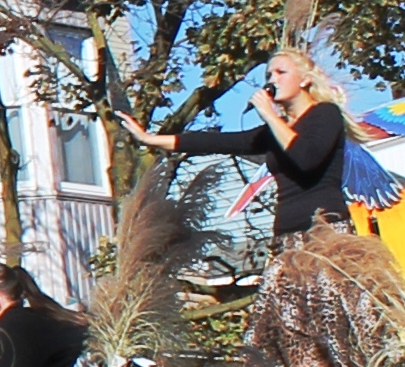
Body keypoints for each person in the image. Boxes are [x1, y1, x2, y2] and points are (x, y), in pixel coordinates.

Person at [132, 47, 353, 242]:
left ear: (305, 80)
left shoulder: (325, 113)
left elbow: (306, 158)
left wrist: (269, 115)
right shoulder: (275, 130)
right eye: (268, 75)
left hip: (325, 231)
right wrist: (150, 139)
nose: (272, 80)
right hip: (287, 233)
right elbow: (219, 141)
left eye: (281, 72)